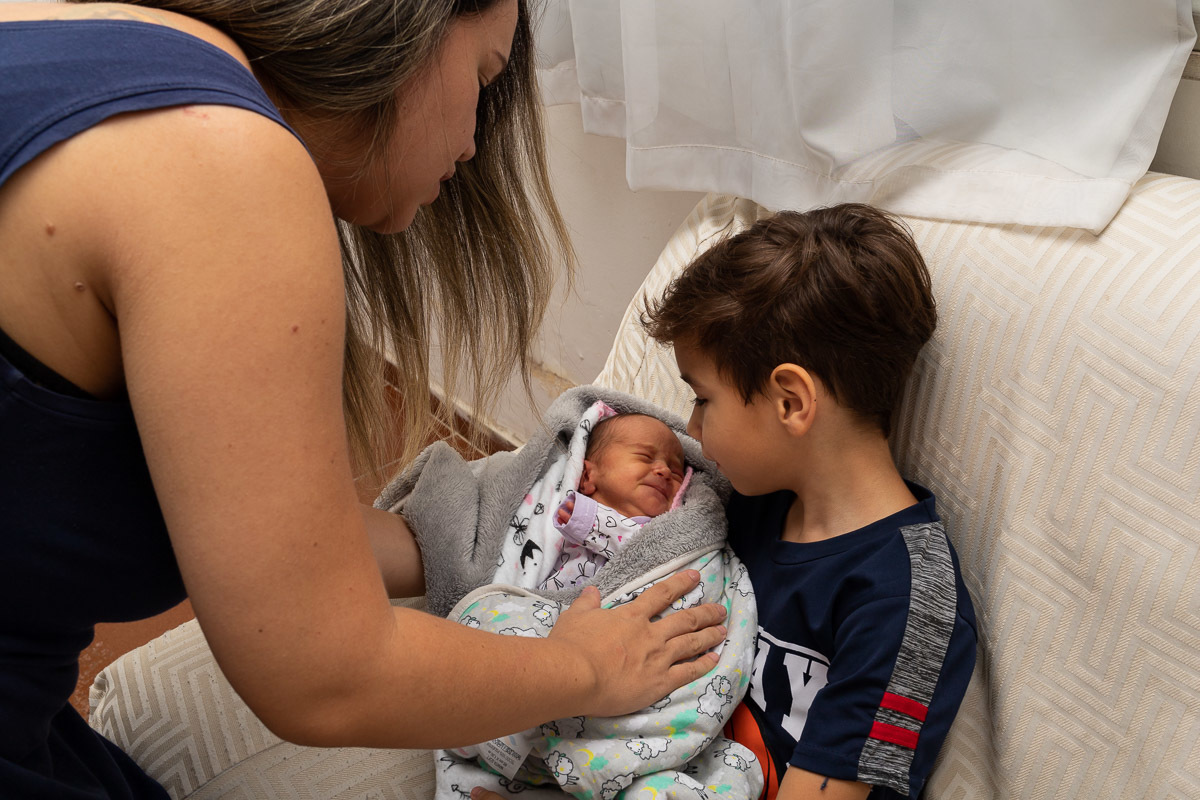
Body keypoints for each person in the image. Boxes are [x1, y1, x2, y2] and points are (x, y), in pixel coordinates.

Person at [0, 1, 727, 797]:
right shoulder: (224, 167)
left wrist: (467, 536)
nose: (477, 140)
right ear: (411, 28)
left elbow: (240, 514)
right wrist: (584, 667)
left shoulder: (85, 34)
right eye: (484, 77)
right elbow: (325, 675)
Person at [642, 205, 978, 800]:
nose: (691, 429)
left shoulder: (910, 603)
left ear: (791, 402)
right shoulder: (748, 503)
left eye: (703, 399)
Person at [545, 412, 688, 589]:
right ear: (588, 476)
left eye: (676, 473)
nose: (665, 471)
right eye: (645, 457)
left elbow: (653, 558)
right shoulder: (556, 506)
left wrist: (586, 520)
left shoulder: (669, 532)